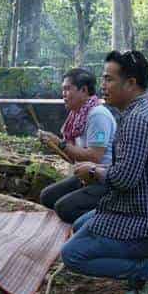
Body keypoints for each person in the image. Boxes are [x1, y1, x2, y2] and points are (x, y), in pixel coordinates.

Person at [61, 50, 148, 294]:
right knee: (81, 224)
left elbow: (124, 179)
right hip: (140, 210)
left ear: (131, 83)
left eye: (109, 79)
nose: (103, 86)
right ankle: (145, 261)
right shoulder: (137, 114)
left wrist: (93, 171)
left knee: (73, 255)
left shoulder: (138, 120)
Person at [38, 69, 117, 223]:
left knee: (64, 208)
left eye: (68, 89)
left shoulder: (97, 115)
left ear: (84, 90)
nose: (64, 94)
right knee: (47, 197)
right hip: (85, 176)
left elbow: (95, 156)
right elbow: (74, 157)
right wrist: (54, 145)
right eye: (63, 89)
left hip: (104, 179)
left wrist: (60, 143)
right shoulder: (77, 116)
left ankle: (114, 214)